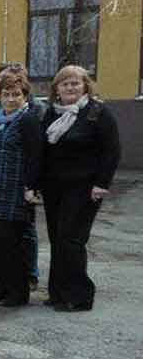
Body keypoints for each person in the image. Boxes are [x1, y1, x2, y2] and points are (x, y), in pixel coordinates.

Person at [41, 65, 120, 312]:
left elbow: (112, 151)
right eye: (65, 84)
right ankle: (58, 293)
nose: (70, 87)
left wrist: (101, 184)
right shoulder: (52, 114)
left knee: (71, 239)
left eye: (75, 83)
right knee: (57, 239)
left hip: (84, 188)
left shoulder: (98, 113)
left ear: (85, 85)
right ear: (57, 89)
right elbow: (44, 151)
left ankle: (79, 296)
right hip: (55, 188)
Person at [0, 71, 42, 307]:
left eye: (16, 94)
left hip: (15, 191)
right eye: (6, 94)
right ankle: (2, 288)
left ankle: (18, 293)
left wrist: (31, 187)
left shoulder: (28, 120)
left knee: (13, 244)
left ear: (25, 96)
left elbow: (36, 156)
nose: (11, 99)